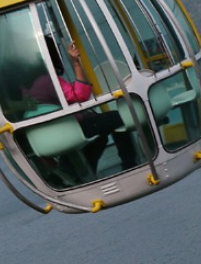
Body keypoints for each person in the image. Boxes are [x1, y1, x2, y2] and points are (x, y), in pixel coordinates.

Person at [24, 39, 138, 176]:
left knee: (100, 134)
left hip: (54, 132)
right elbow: (79, 96)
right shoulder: (48, 80)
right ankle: (130, 164)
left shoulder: (31, 83)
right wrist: (76, 63)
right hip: (69, 129)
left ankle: (80, 172)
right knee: (117, 117)